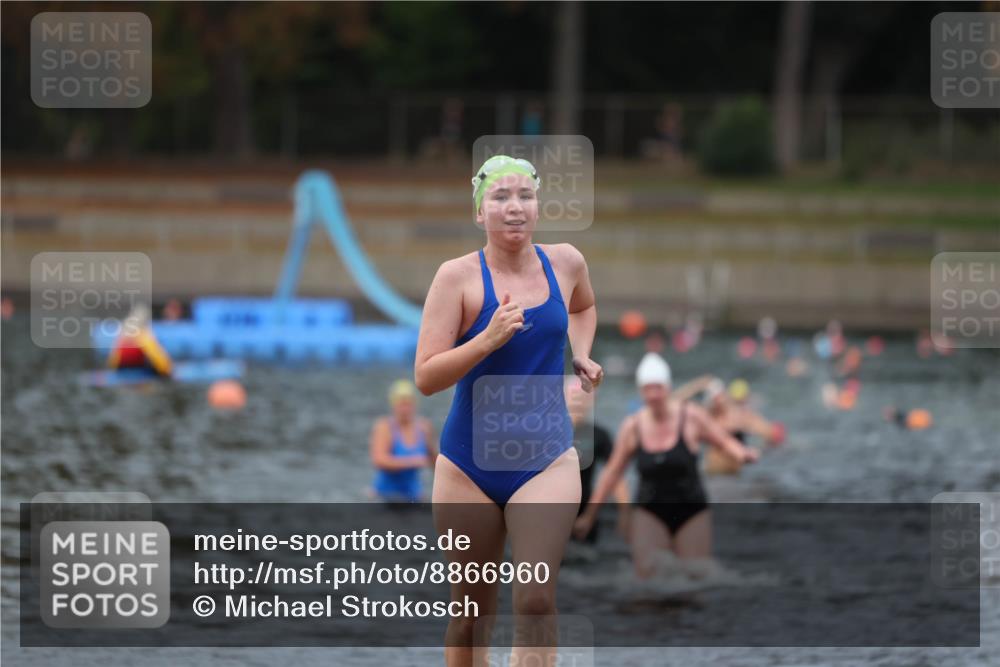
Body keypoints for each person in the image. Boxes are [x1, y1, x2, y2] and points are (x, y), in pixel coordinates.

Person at [414, 154, 603, 665]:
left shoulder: (566, 262)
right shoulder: (455, 278)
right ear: (480, 213)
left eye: (524, 196)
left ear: (539, 205)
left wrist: (580, 352)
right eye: (499, 197)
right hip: (466, 466)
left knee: (536, 598)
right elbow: (426, 377)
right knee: (472, 612)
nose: (514, 207)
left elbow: (583, 307)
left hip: (545, 460)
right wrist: (487, 339)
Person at [573, 353, 758, 580]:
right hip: (650, 509)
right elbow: (612, 472)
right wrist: (590, 515)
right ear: (641, 391)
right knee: (649, 577)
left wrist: (742, 453)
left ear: (668, 387)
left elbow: (722, 440)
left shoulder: (690, 416)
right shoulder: (633, 426)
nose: (653, 394)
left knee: (696, 576)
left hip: (691, 509)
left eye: (658, 387)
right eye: (648, 389)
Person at [564, 377, 628, 545]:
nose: (580, 402)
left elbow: (615, 476)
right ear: (563, 396)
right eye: (575, 396)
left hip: (585, 516)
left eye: (585, 397)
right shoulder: (547, 431)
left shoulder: (599, 435)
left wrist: (625, 512)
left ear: (592, 401)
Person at [369, 379, 437, 503]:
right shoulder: (384, 427)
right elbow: (379, 460)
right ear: (393, 405)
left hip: (414, 495)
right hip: (385, 495)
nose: (405, 409)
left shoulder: (424, 427)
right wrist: (412, 461)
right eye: (401, 404)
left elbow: (434, 462)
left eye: (408, 404)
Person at [701, 378, 785, 475]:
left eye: (721, 396)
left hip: (733, 467)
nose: (720, 400)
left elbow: (768, 431)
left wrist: (767, 443)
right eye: (716, 398)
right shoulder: (707, 418)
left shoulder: (737, 415)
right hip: (716, 468)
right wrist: (698, 384)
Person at [106, 304, 173, 378]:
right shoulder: (143, 335)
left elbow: (112, 361)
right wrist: (168, 372)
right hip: (139, 375)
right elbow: (161, 363)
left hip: (122, 372)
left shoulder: (122, 336)